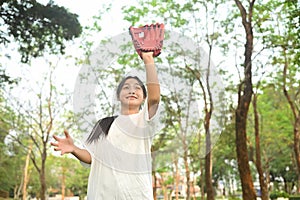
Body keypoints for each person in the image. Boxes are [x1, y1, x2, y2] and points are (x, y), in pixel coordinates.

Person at [50, 51, 160, 199]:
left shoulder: (144, 120)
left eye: (137, 88)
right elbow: (91, 157)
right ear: (118, 95)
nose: (132, 90)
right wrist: (74, 149)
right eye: (126, 87)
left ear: (144, 98)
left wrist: (148, 59)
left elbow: (155, 98)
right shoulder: (104, 124)